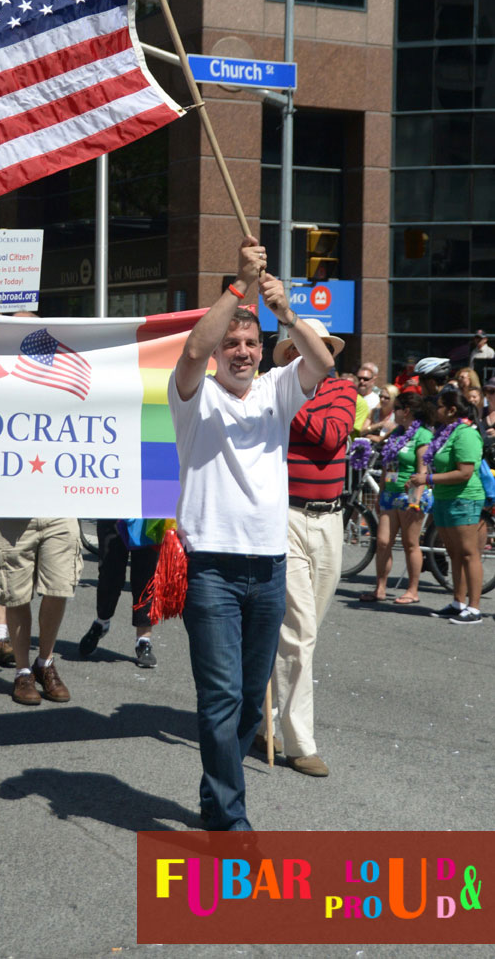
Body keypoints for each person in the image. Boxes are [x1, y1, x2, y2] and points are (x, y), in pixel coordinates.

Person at [169, 235, 333, 831]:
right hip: (209, 567)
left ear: (264, 351)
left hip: (268, 567)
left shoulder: (277, 389)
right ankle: (230, 820)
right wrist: (238, 284)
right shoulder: (194, 394)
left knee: (245, 705)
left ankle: (217, 798)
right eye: (231, 343)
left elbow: (323, 363)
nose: (240, 352)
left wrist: (286, 311)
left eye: (250, 343)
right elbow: (191, 349)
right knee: (218, 699)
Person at [267, 318, 355, 779]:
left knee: (300, 633)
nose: (308, 352)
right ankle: (299, 741)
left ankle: (260, 713)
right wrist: (286, 400)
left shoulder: (342, 391)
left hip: (330, 519)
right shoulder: (278, 390)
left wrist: (288, 407)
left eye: (314, 346)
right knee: (299, 631)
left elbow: (330, 436)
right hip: (284, 516)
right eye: (300, 346)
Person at [408, 386, 486, 625]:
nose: (436, 410)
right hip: (445, 498)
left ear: (452, 410)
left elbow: (465, 472)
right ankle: (458, 602)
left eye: (441, 406)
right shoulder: (447, 432)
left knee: (468, 552)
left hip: (464, 498)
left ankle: (474, 608)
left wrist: (427, 479)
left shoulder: (466, 434)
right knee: (454, 553)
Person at [0, 515, 82, 705]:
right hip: (12, 517)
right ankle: (23, 672)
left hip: (59, 511)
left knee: (59, 585)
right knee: (15, 593)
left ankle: (45, 664)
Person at [358, 391, 434, 605]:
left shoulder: (422, 436)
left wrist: (415, 500)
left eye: (397, 408)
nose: (394, 412)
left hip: (410, 492)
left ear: (406, 411)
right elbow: (386, 465)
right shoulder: (396, 433)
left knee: (411, 543)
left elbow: (422, 468)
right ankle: (380, 588)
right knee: (382, 542)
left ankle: (412, 589)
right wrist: (381, 490)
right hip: (391, 493)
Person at [78, 518, 161, 668]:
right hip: (113, 509)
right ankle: (102, 622)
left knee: (146, 576)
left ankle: (143, 640)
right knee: (109, 574)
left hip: (146, 511)